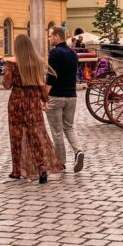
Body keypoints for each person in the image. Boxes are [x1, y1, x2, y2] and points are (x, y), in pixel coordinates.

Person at [4, 34, 64, 183]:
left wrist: (7, 68)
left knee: (16, 136)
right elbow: (40, 84)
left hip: (17, 102)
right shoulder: (37, 62)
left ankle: (17, 170)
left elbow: (6, 84)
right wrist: (44, 99)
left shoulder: (12, 63)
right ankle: (42, 168)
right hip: (32, 102)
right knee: (35, 135)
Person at [45, 26, 85, 172]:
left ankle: (60, 163)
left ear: (57, 36)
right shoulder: (73, 54)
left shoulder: (54, 52)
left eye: (50, 36)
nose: (49, 39)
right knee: (69, 127)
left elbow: (51, 76)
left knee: (56, 131)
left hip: (56, 96)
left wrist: (44, 95)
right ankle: (78, 151)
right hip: (71, 96)